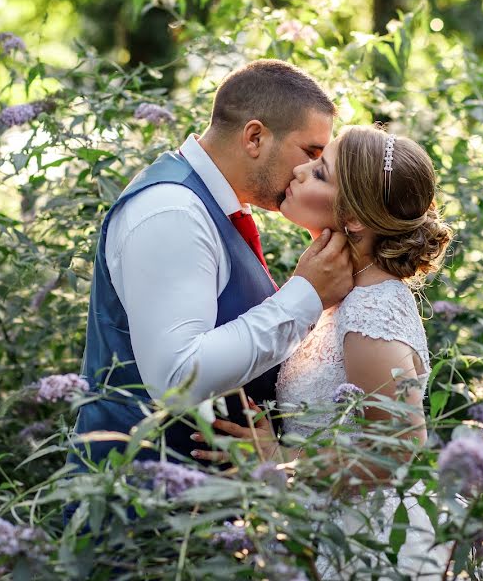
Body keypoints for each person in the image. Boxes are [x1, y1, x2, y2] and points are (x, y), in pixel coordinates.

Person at [66, 60, 354, 481]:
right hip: (133, 507)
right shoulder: (172, 211)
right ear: (254, 136)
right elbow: (177, 378)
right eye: (309, 152)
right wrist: (306, 294)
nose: (306, 171)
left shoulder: (209, 207)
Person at [193, 125, 453, 577]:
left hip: (363, 544)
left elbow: (398, 447)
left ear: (354, 218)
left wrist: (280, 465)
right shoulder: (343, 296)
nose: (297, 170)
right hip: (316, 527)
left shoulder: (372, 307)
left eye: (319, 172)